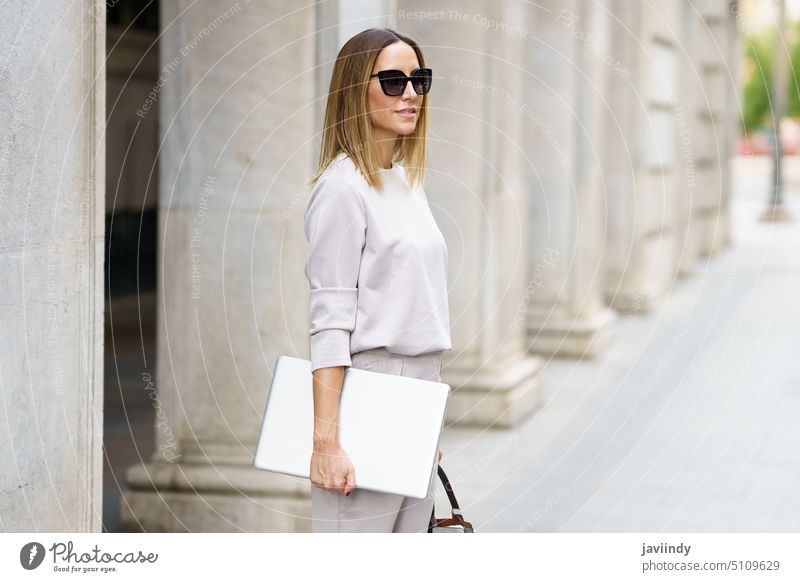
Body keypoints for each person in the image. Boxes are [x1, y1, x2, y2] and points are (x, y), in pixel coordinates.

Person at [303, 27, 452, 533]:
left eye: (419, 79)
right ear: (354, 90)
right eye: (392, 80)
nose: (411, 93)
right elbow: (330, 322)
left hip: (421, 392)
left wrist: (428, 417)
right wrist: (326, 442)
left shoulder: (408, 183)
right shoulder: (342, 188)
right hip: (371, 394)